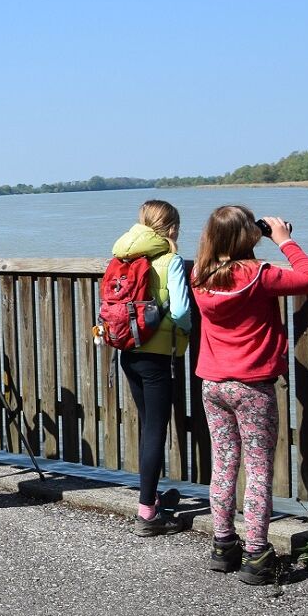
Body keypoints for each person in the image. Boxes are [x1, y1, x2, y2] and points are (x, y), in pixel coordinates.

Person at [192, 206, 308, 585]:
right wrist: (283, 239)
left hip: (213, 385)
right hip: (252, 386)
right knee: (259, 469)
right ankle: (256, 554)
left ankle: (222, 545)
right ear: (248, 235)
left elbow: (227, 265)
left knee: (224, 464)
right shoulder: (260, 275)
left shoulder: (200, 274)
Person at [111, 200, 191, 536]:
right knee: (156, 430)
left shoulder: (120, 257)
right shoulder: (170, 260)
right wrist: (185, 334)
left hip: (127, 350)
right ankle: (147, 513)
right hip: (158, 356)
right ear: (171, 227)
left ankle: (152, 496)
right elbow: (182, 311)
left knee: (147, 425)